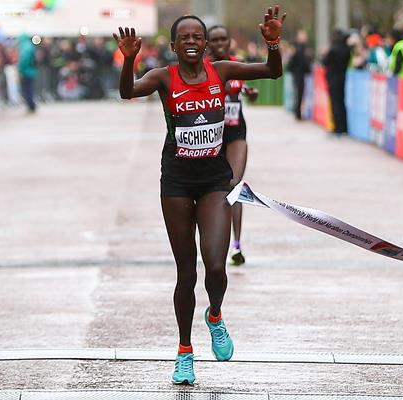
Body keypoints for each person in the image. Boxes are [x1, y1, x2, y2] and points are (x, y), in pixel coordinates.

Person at [113, 5, 285, 385]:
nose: (191, 41)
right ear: (174, 45)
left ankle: (216, 315)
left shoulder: (220, 71)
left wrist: (272, 43)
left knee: (217, 267)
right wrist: (129, 60)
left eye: (197, 36)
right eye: (184, 37)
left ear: (206, 44)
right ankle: (184, 351)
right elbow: (127, 92)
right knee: (185, 272)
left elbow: (273, 72)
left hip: (213, 182)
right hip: (175, 182)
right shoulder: (162, 77)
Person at [207, 24, 259, 266]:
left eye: (223, 40)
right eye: (214, 40)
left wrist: (249, 91)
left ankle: (236, 246)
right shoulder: (201, 68)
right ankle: (213, 241)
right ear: (207, 43)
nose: (219, 44)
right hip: (210, 136)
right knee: (213, 189)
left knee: (234, 186)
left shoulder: (236, 65)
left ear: (229, 42)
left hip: (236, 132)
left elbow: (241, 87)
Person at [322, 29, 350, 136]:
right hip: (342, 77)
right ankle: (344, 127)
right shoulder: (347, 49)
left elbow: (325, 62)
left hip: (333, 78)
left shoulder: (333, 49)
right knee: (341, 102)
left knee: (335, 103)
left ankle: (337, 127)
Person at [287, 29, 311, 121]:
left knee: (299, 93)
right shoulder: (299, 47)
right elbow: (301, 60)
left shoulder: (298, 47)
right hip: (298, 73)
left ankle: (297, 112)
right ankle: (298, 113)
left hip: (298, 73)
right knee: (299, 93)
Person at [17, 34, 37, 112]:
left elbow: (24, 60)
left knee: (26, 90)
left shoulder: (25, 47)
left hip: (26, 72)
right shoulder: (29, 45)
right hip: (30, 71)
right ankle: (31, 105)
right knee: (29, 89)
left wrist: (20, 69)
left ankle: (31, 105)